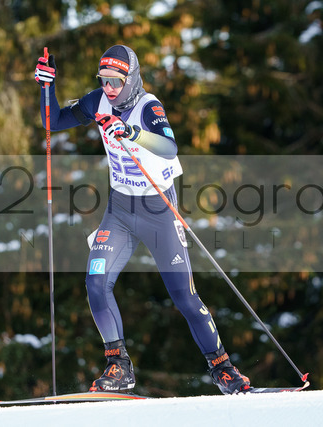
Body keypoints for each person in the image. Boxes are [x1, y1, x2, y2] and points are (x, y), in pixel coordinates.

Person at [35, 45, 252, 394]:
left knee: (184, 297)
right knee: (95, 282)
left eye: (116, 82)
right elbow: (54, 122)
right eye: (103, 80)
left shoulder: (149, 107)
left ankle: (223, 369)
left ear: (132, 79)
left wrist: (131, 132)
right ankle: (119, 366)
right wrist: (48, 86)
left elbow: (169, 147)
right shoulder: (98, 101)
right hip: (120, 211)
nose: (108, 88)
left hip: (158, 211)